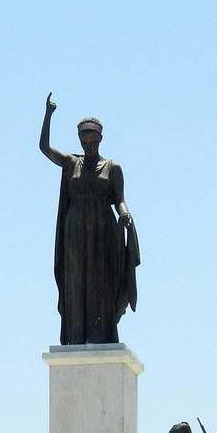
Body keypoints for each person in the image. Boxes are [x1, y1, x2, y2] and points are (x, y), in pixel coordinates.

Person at [39, 92, 139, 345]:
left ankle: (98, 332)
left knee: (99, 281)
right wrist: (48, 116)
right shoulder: (71, 163)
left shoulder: (112, 168)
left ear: (101, 139)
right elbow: (45, 149)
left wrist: (125, 213)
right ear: (80, 140)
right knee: (75, 280)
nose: (89, 144)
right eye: (85, 140)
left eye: (93, 140)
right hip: (75, 231)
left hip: (103, 232)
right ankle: (76, 333)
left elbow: (119, 199)